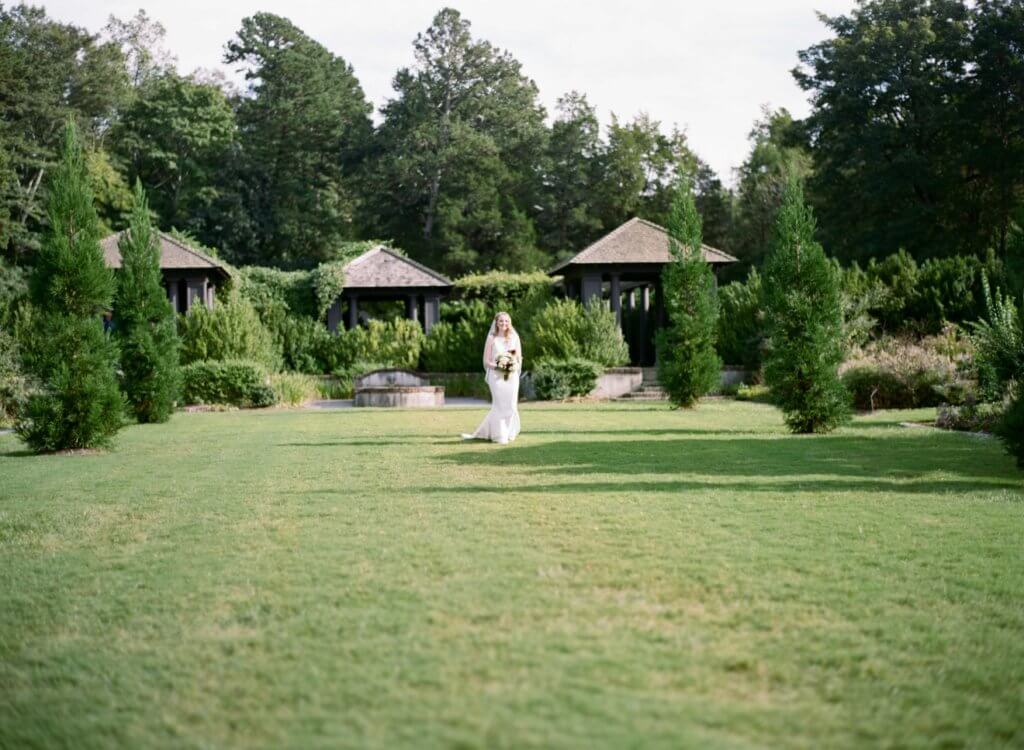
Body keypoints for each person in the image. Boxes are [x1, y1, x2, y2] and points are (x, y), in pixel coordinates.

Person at [462, 311, 522, 444]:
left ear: (509, 322)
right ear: (496, 323)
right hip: (496, 377)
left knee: (511, 406)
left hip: (511, 377)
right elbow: (486, 361)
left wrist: (513, 366)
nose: (504, 323)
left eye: (506, 321)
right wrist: (499, 367)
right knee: (500, 405)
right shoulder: (492, 338)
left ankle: (508, 431)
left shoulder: (514, 337)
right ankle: (499, 436)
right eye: (501, 321)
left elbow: (518, 357)